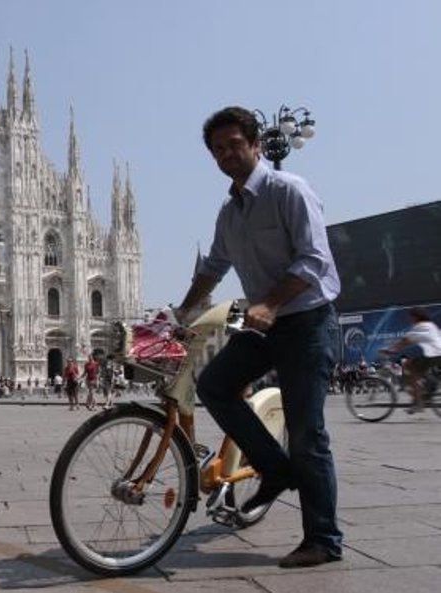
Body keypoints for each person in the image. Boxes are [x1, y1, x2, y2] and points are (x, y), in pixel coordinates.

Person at [175, 106, 343, 568]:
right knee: (213, 386)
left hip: (306, 323)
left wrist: (268, 304)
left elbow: (314, 262)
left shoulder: (289, 190)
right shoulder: (230, 212)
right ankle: (272, 467)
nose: (226, 154)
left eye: (233, 144)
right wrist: (183, 309)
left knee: (309, 434)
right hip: (264, 326)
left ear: (254, 144)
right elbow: (213, 266)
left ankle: (324, 540)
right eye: (217, 149)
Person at [381, 308, 441, 413]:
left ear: (416, 317)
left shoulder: (420, 326)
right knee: (410, 365)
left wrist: (390, 350)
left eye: (411, 317)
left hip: (432, 353)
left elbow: (406, 340)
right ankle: (428, 388)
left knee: (411, 371)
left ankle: (418, 403)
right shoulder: (431, 325)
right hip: (438, 353)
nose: (410, 319)